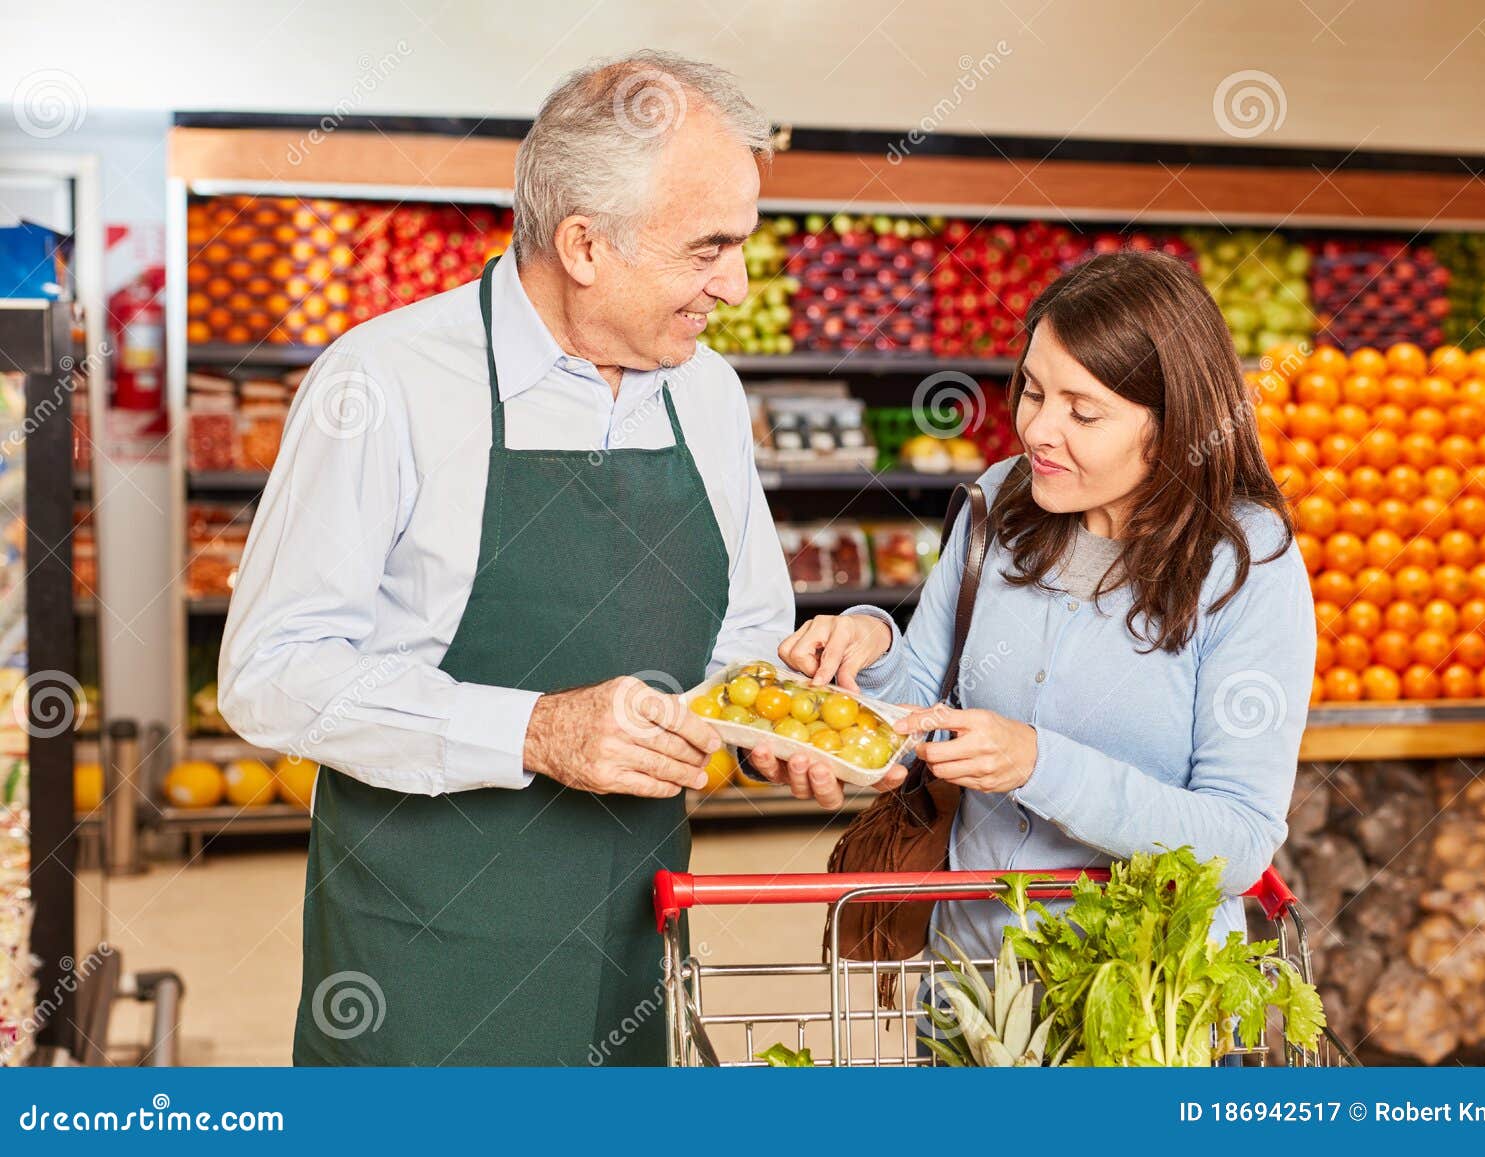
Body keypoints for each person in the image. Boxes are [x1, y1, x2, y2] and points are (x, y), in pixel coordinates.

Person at [218, 51, 793, 1066]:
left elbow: (745, 629)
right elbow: (270, 672)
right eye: (709, 248)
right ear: (584, 244)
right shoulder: (384, 383)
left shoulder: (706, 392)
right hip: (424, 960)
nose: (734, 284)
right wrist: (533, 730)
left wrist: (774, 717)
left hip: (636, 936)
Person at [761, 249, 1316, 959]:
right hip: (971, 985)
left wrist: (1037, 764)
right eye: (1032, 390)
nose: (1038, 431)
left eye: (1083, 412)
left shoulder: (1246, 563)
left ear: (1176, 424)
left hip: (1147, 1000)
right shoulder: (1001, 501)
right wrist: (870, 648)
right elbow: (924, 709)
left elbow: (1239, 843)